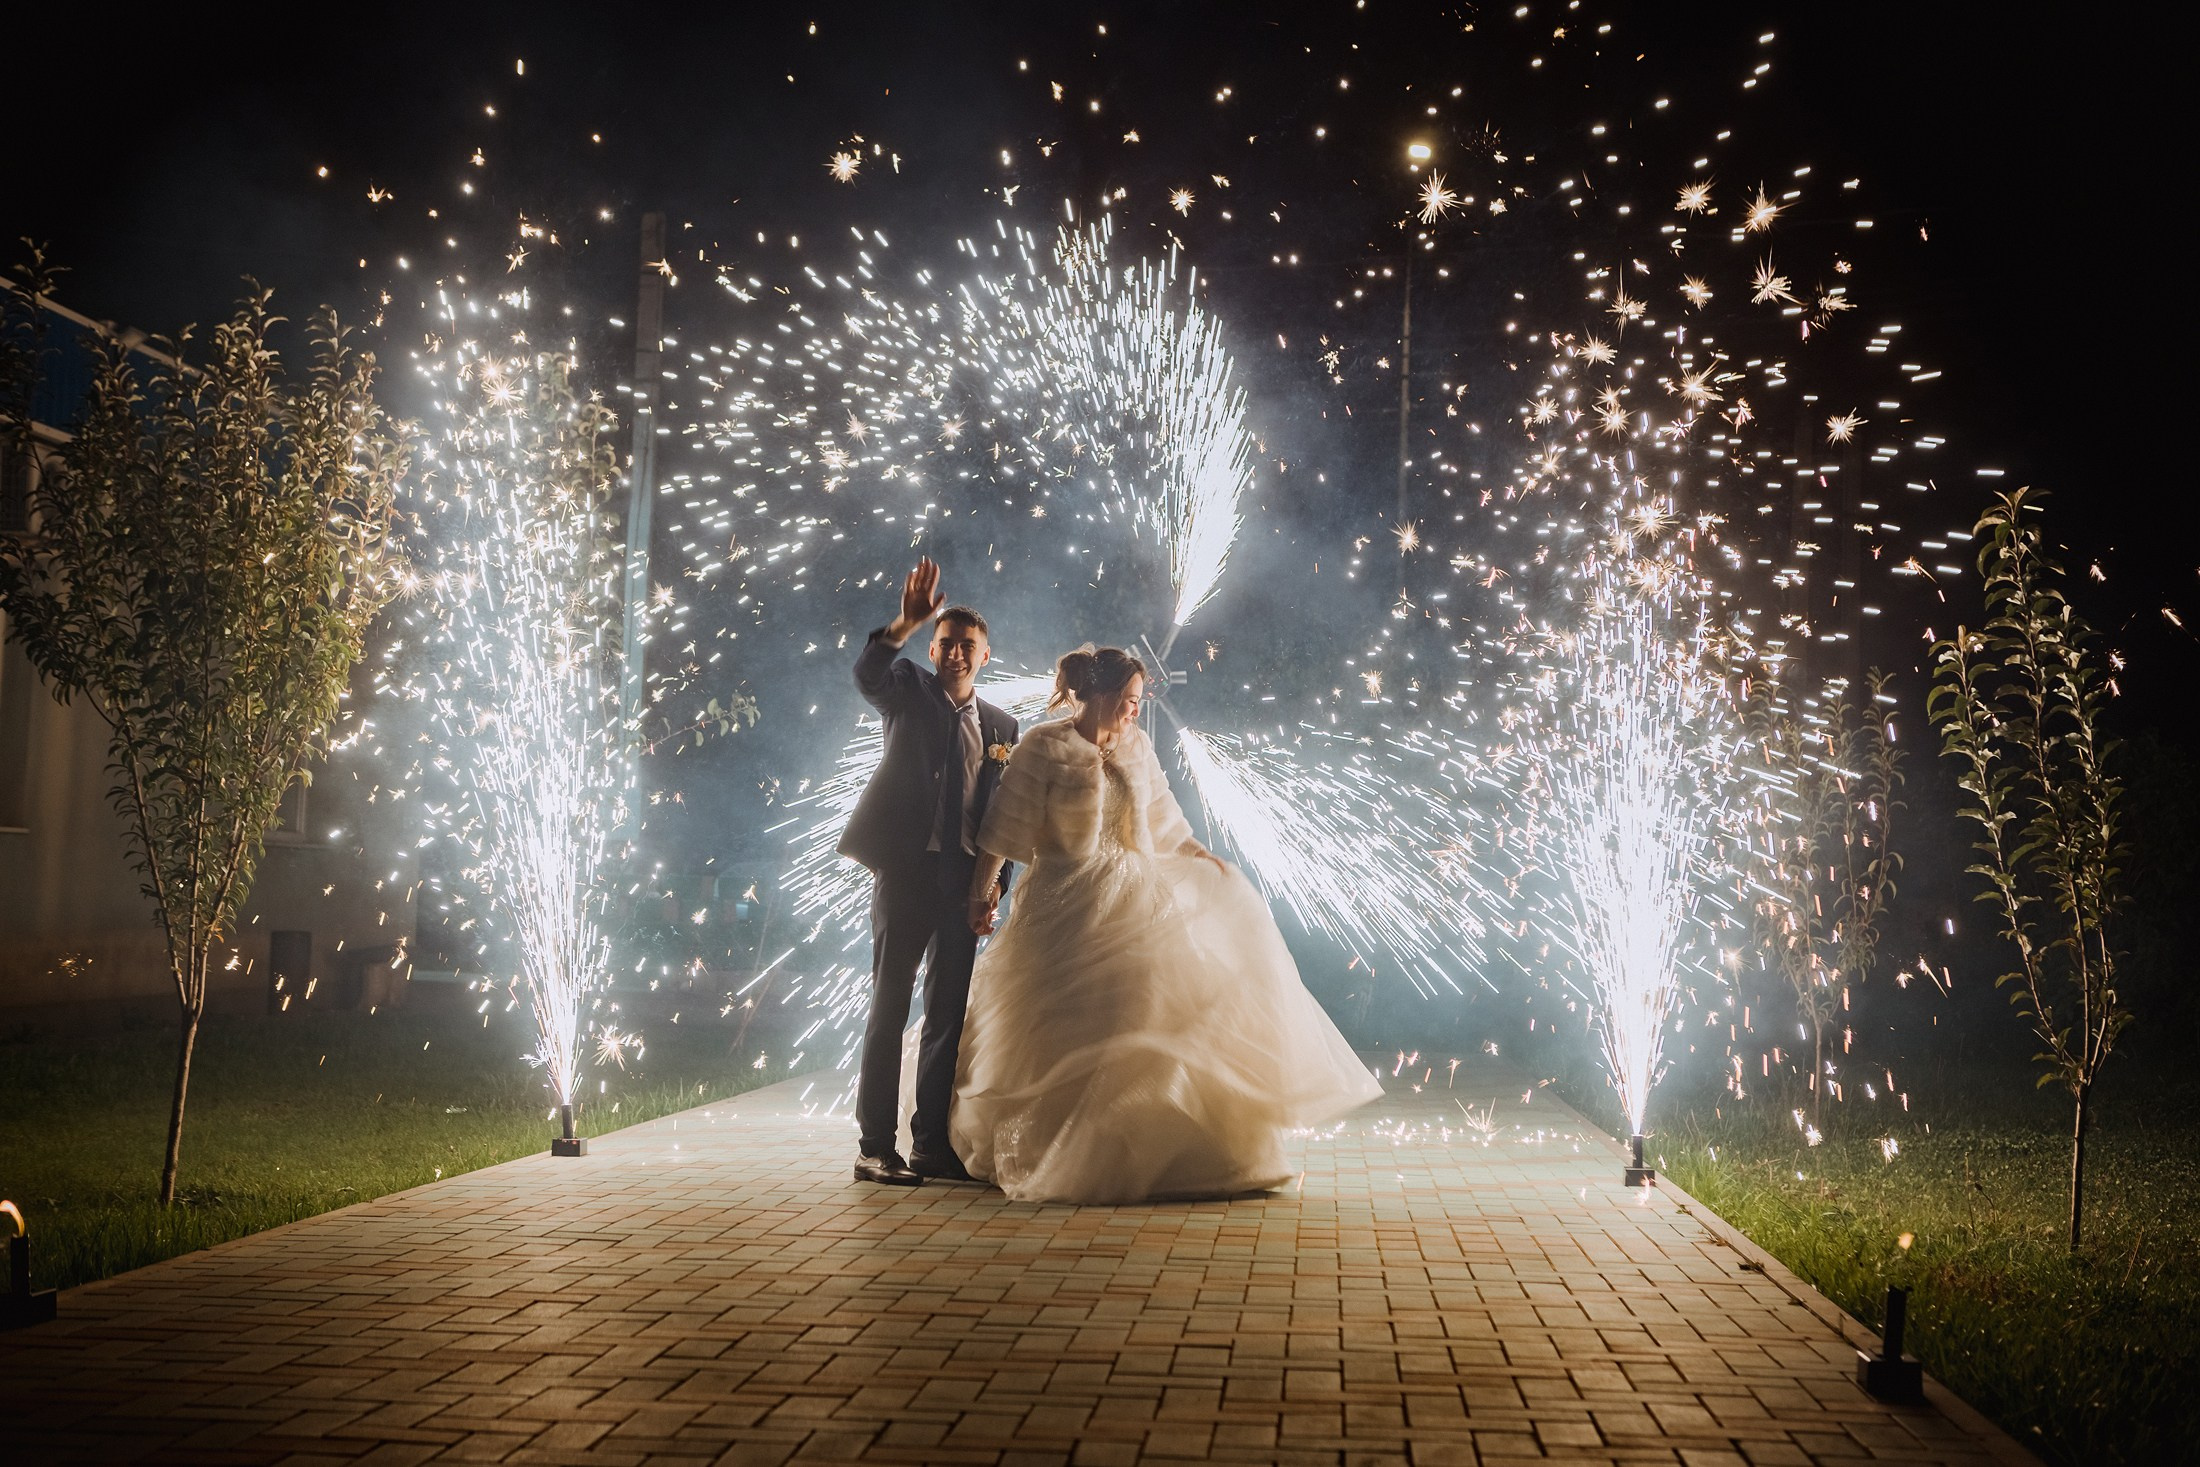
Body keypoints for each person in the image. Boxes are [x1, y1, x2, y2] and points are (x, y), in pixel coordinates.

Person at [951, 645, 1381, 1203]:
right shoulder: (1044, 746)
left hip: (1135, 892)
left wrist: (1200, 855)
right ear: (1101, 695)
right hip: (1065, 898)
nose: (1136, 709)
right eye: (1129, 699)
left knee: (1149, 1004)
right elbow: (1003, 830)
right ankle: (1064, 1145)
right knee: (1066, 1020)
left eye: (1138, 700)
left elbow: (1162, 816)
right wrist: (979, 895)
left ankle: (1166, 1150)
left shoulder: (1136, 745)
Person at [839, 558, 1019, 1185]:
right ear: (933, 649)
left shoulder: (1003, 728)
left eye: (968, 646)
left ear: (986, 656)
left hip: (963, 884)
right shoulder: (908, 691)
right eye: (946, 643)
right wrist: (906, 623)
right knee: (889, 1007)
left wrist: (992, 888)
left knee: (946, 1017)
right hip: (905, 875)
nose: (956, 654)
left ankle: (930, 1146)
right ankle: (873, 1147)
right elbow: (866, 674)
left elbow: (1005, 816)